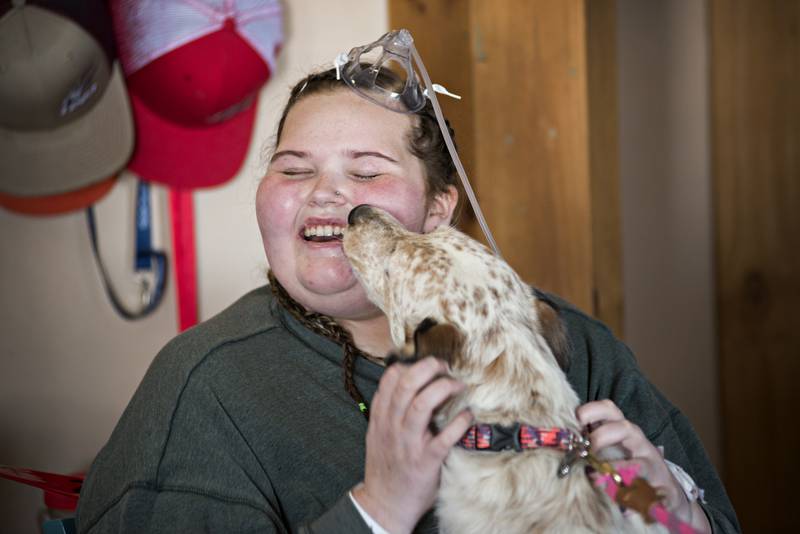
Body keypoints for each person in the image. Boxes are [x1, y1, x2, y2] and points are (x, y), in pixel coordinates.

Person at [75, 65, 740, 533]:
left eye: (366, 171)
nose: (326, 195)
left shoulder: (568, 343)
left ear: (436, 211)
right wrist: (378, 510)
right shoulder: (203, 387)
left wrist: (679, 515)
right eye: (293, 168)